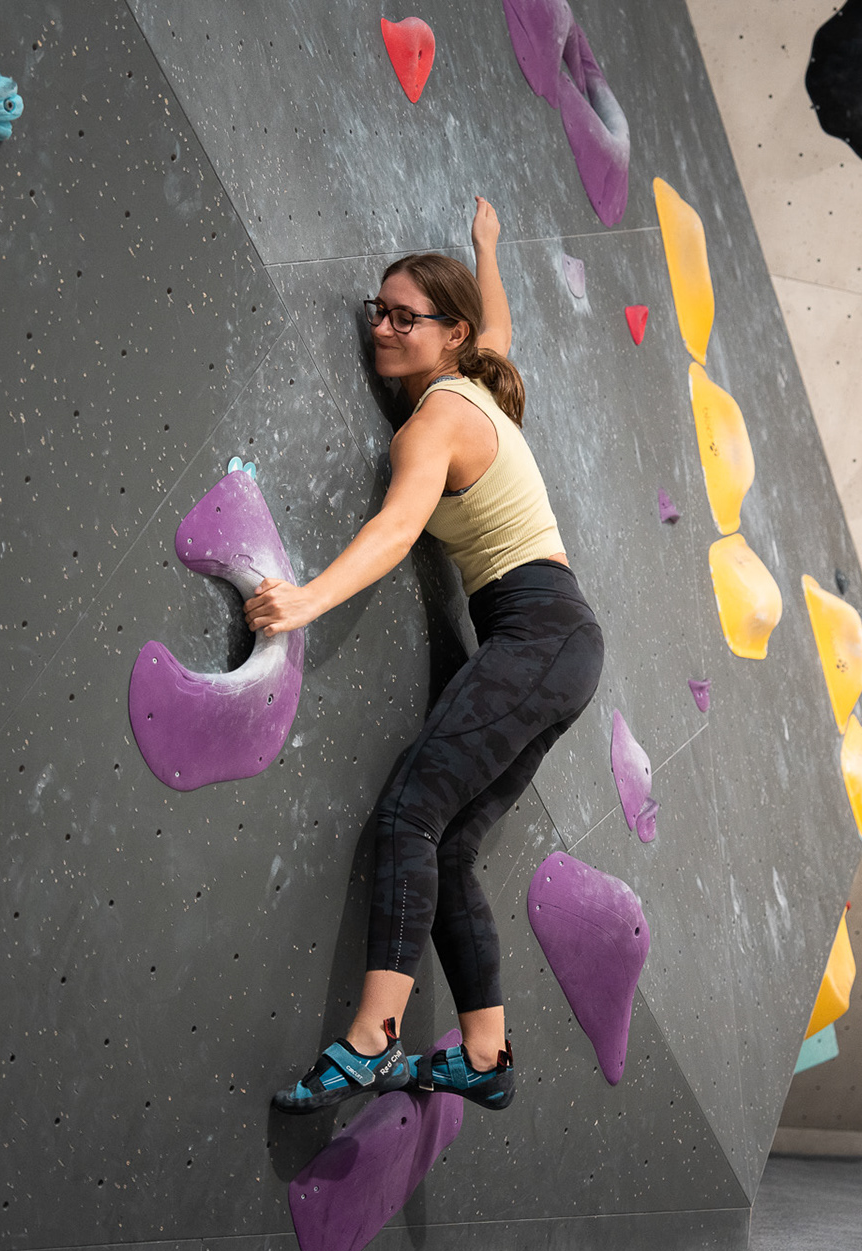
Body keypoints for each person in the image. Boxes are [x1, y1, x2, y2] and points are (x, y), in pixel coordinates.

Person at [252, 198, 604, 1113]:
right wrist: (490, 244)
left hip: (535, 631)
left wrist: (303, 601)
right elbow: (499, 324)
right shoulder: (481, 377)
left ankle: (373, 1039)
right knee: (449, 847)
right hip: (561, 641)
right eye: (379, 310)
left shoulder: (437, 419)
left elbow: (396, 530)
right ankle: (485, 1055)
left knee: (410, 812)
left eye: (405, 316)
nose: (383, 326)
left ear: (445, 338)